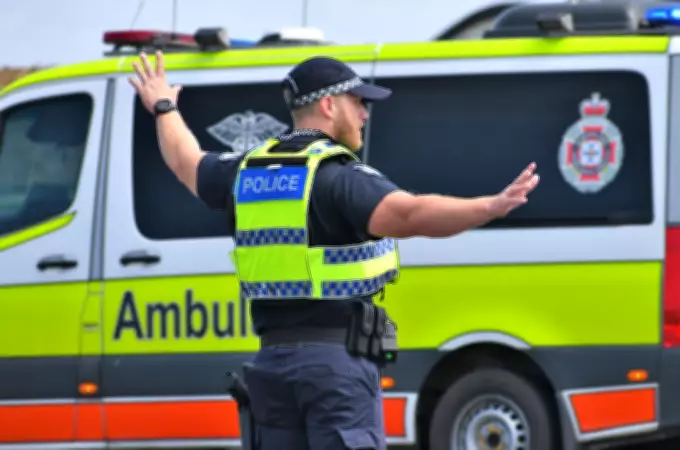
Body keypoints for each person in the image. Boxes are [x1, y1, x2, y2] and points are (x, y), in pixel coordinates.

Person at [128, 50, 540, 450]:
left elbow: (185, 161)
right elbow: (411, 214)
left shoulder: (246, 172)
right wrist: (489, 206)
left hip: (271, 369)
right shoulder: (338, 177)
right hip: (334, 370)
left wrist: (164, 106)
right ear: (328, 105)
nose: (364, 113)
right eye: (358, 102)